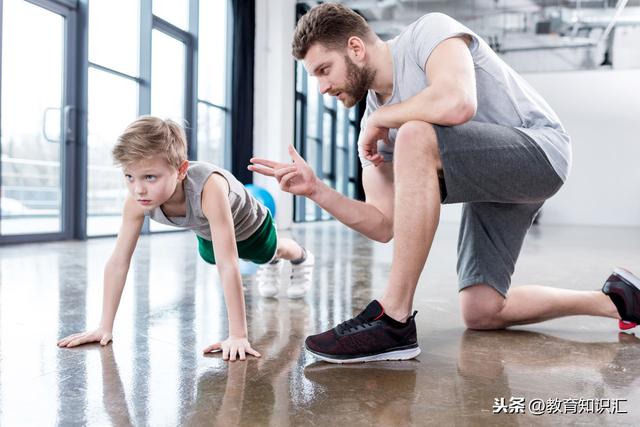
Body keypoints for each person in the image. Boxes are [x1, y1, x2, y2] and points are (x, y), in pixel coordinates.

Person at [249, 3, 640, 363]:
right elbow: (385, 223)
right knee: (482, 310)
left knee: (416, 133)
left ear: (355, 48)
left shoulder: (428, 33)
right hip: (491, 182)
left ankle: (393, 318)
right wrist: (318, 190)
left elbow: (457, 102)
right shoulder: (376, 116)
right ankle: (620, 300)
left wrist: (384, 120)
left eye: (323, 70)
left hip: (539, 151)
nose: (321, 88)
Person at [57, 116, 314, 361]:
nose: (138, 189)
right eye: (129, 177)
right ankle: (271, 261)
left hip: (252, 227)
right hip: (208, 232)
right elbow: (118, 261)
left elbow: (229, 264)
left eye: (150, 177)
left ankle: (301, 256)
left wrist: (238, 336)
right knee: (210, 255)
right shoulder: (136, 201)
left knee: (269, 252)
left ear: (180, 170)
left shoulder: (209, 188)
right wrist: (104, 326)